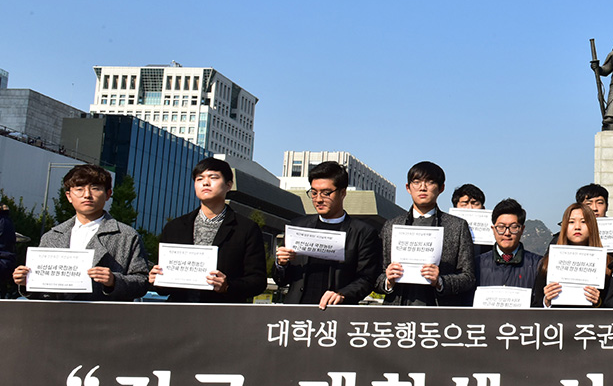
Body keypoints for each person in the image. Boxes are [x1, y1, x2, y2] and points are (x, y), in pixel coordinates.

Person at [13, 164, 150, 301]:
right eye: (79, 189)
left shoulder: (126, 235)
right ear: (69, 196)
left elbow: (142, 281)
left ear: (108, 194)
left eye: (95, 189)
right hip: (57, 316)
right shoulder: (52, 236)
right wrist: (27, 282)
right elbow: (42, 292)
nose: (87, 195)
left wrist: (114, 281)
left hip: (106, 317)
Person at [149, 158, 267, 303]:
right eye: (199, 179)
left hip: (224, 314)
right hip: (179, 313)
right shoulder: (175, 227)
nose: (205, 183)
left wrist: (228, 286)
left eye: (213, 177)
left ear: (229, 185)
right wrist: (157, 279)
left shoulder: (246, 229)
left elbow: (258, 281)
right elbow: (164, 288)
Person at [273, 161, 381, 309]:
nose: (318, 199)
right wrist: (281, 264)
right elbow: (281, 280)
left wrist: (342, 294)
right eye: (314, 192)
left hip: (338, 313)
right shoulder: (297, 227)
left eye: (326, 193)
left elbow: (367, 278)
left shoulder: (363, 232)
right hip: (297, 311)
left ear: (343, 193)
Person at [378, 161, 475, 306]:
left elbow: (468, 277)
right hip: (398, 310)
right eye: (416, 182)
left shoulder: (457, 227)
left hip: (439, 313)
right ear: (408, 188)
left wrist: (441, 281)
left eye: (430, 182)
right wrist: (388, 280)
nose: (422, 188)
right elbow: (375, 275)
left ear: (441, 188)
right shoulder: (391, 226)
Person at [534, 203, 607, 308]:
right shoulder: (547, 264)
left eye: (583, 222)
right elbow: (536, 302)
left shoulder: (606, 265)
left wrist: (598, 302)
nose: (577, 227)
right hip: (557, 322)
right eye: (571, 222)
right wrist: (546, 301)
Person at [473, 198, 542, 290]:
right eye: (501, 227)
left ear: (522, 229)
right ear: (493, 229)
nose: (507, 233)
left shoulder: (538, 264)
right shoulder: (476, 264)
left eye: (514, 227)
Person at [577, 182, 613, 249]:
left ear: (607, 206)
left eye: (600, 203)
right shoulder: (570, 231)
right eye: (588, 204)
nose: (594, 208)